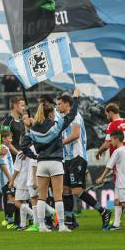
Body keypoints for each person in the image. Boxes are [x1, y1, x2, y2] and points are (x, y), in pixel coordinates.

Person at [20, 90, 81, 232]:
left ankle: (41, 225)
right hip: (55, 163)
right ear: (51, 113)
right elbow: (71, 115)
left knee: (42, 197)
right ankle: (61, 226)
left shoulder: (33, 128)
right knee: (58, 196)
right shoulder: (56, 126)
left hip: (41, 164)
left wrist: (34, 156)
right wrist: (76, 98)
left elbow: (23, 146)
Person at [57, 93, 87, 229]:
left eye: (59, 104)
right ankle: (70, 220)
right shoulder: (65, 118)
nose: (58, 106)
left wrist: (60, 143)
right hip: (67, 158)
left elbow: (75, 135)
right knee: (65, 190)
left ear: (67, 104)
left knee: (76, 191)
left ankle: (102, 211)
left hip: (77, 156)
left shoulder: (75, 116)